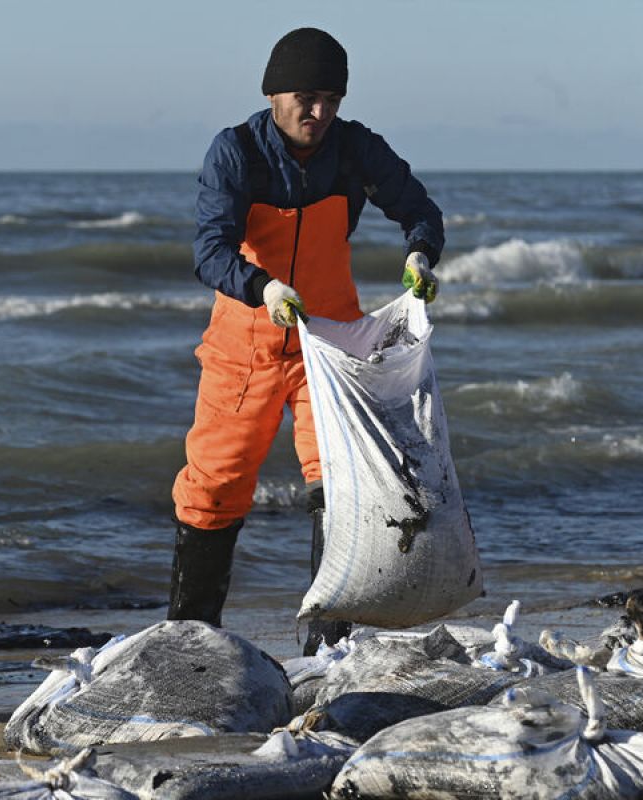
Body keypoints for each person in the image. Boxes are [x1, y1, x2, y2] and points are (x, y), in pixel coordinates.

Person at [168, 27, 445, 655]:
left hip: (332, 346)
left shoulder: (354, 150)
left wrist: (422, 254)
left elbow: (419, 209)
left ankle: (328, 652)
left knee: (340, 484)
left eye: (329, 98)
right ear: (273, 94)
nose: (316, 112)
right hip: (247, 345)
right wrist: (263, 287)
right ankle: (189, 643)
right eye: (303, 97)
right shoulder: (236, 152)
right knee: (214, 486)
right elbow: (209, 251)